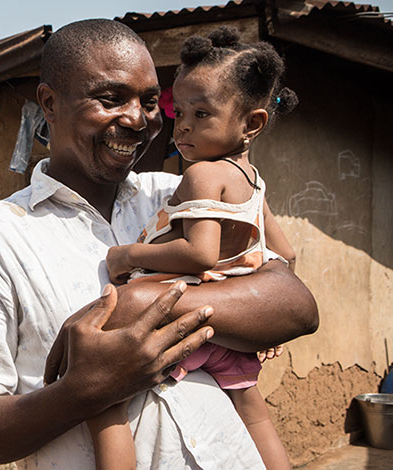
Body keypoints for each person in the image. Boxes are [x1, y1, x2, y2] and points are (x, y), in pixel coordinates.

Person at [0, 19, 318, 470]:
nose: (138, 119)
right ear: (50, 104)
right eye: (111, 98)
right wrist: (83, 391)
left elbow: (296, 305)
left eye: (151, 102)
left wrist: (142, 301)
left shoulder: (180, 195)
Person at [91, 27, 298, 470]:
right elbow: (285, 255)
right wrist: (258, 315)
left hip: (186, 325)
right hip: (230, 331)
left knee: (103, 398)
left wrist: (127, 255)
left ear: (252, 123)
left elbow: (200, 254)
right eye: (177, 110)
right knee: (254, 414)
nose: (182, 125)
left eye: (202, 114)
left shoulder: (203, 174)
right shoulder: (253, 183)